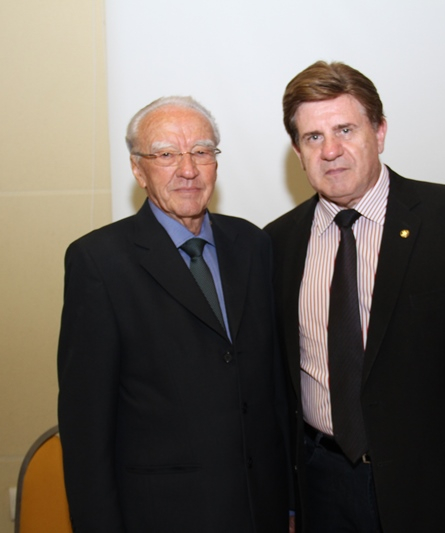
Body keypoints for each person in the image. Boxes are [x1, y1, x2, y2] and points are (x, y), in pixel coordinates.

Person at [264, 61, 445, 533]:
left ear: (380, 131)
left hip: (436, 491)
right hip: (320, 489)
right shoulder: (277, 243)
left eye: (345, 129)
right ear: (297, 151)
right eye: (313, 137)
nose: (330, 150)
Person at [58, 96, 291, 532]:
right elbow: (86, 425)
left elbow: (274, 390)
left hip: (262, 510)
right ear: (138, 169)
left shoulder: (253, 245)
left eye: (201, 152)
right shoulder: (99, 262)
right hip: (162, 514)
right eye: (166, 155)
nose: (188, 170)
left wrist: (290, 504)